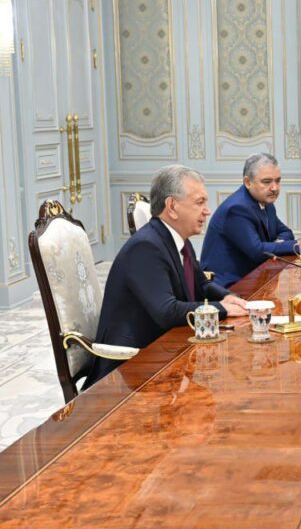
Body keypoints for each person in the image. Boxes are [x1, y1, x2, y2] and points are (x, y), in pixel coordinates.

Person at [84, 166, 247, 388]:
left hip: (162, 350)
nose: (207, 211)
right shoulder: (145, 247)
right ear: (172, 206)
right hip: (130, 369)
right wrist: (222, 309)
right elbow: (167, 312)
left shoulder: (177, 238)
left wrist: (228, 297)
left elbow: (200, 283)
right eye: (199, 202)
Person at [201, 153, 301, 287]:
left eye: (278, 181)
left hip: (254, 277)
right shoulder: (237, 209)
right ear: (248, 182)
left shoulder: (265, 202)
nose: (274, 188)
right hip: (229, 286)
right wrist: (299, 246)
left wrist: (276, 244)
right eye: (267, 182)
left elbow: (286, 232)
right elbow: (257, 251)